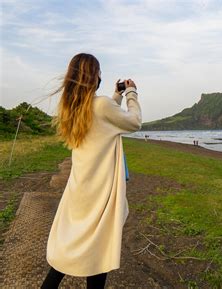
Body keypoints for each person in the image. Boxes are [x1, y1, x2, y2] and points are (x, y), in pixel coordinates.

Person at [41, 53, 142, 288]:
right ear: (91, 76)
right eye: (98, 72)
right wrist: (131, 94)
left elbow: (104, 117)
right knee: (97, 256)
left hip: (79, 192)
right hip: (99, 194)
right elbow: (134, 122)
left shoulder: (72, 109)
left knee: (67, 251)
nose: (100, 76)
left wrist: (115, 95)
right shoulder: (100, 106)